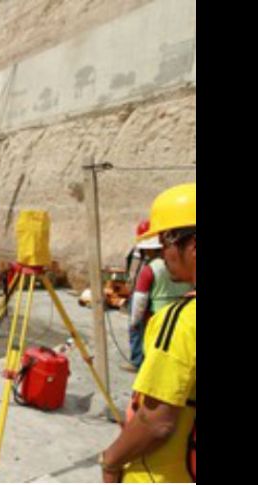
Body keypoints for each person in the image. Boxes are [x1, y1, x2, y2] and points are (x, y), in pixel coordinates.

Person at [98, 183, 196, 483]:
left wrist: (110, 462)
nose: (164, 253)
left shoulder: (183, 320)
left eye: (167, 241)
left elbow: (157, 422)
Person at [124, 220, 194, 372]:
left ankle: (137, 362)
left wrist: (135, 320)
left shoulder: (150, 269)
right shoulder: (184, 271)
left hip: (156, 314)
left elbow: (140, 299)